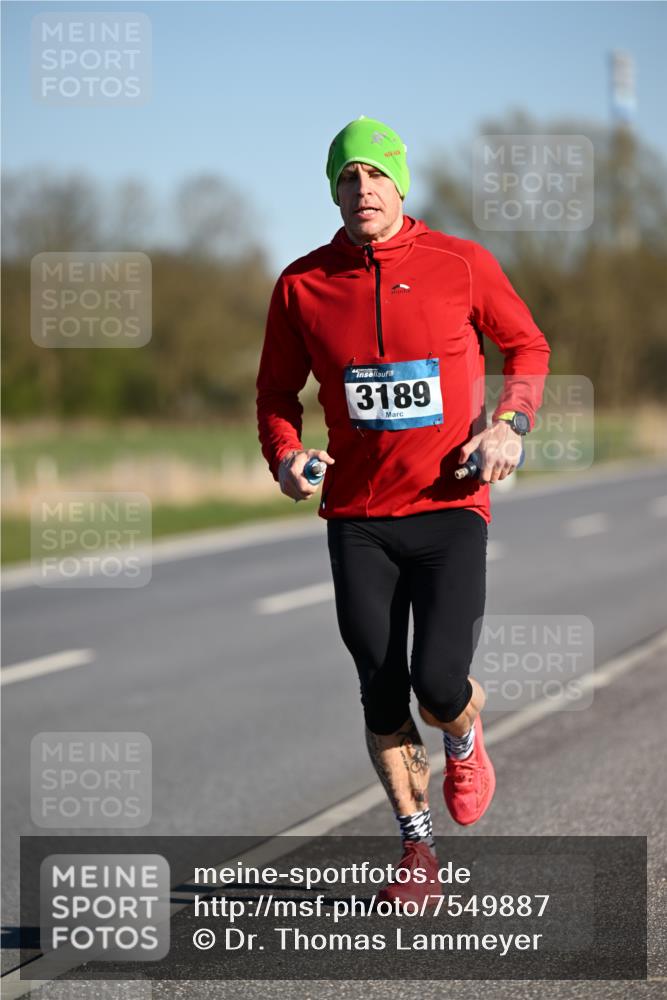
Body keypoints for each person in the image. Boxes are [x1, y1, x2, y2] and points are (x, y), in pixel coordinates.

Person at [256, 116, 550, 906]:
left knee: (437, 679)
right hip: (357, 516)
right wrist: (285, 456)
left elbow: (527, 347)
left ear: (398, 184)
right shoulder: (301, 284)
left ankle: (461, 731)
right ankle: (415, 850)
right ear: (333, 191)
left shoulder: (460, 262)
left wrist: (509, 423)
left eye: (374, 176)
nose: (361, 191)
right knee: (380, 688)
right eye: (346, 179)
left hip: (451, 504)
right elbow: (276, 395)